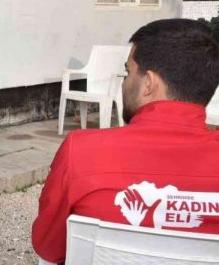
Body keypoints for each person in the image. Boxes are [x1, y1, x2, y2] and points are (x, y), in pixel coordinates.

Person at [32, 18, 219, 264]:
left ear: (148, 83)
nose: (124, 82)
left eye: (128, 72)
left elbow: (48, 247)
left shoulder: (82, 151)